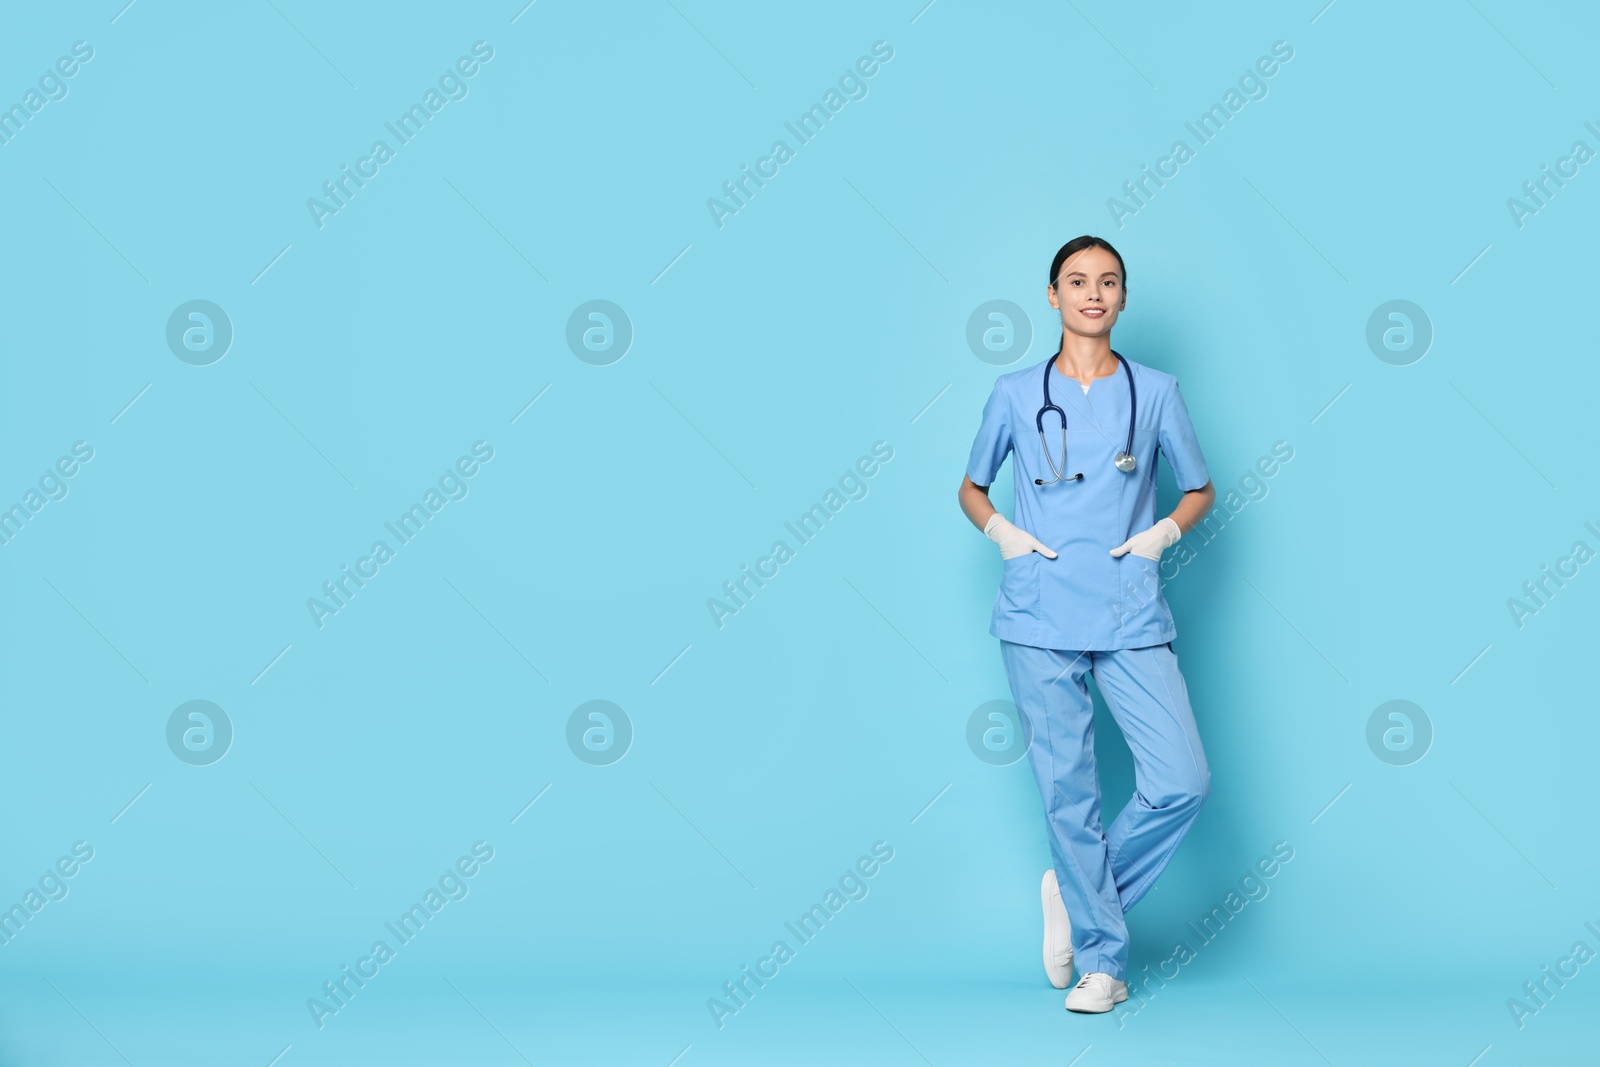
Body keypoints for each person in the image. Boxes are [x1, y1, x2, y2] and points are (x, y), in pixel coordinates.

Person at [957, 235, 1217, 1014]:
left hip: (1130, 608)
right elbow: (972, 487)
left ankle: (1075, 899)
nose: (1092, 293)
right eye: (1077, 281)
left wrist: (1163, 532)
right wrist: (1003, 533)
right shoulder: (1012, 393)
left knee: (1183, 780)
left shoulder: (1158, 392)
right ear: (1052, 295)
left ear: (1123, 298)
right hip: (1038, 612)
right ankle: (1104, 962)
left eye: (1107, 281)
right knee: (1068, 793)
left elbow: (1199, 488)